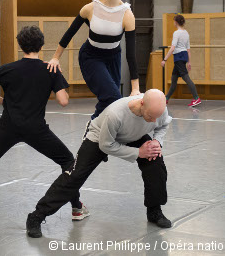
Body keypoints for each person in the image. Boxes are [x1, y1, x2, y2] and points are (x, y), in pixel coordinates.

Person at [0, 26, 88, 227]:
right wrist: (58, 81)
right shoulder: (50, 69)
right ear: (41, 46)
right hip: (37, 130)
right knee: (68, 162)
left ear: (20, 45)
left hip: (7, 127)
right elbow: (63, 101)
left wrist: (5, 102)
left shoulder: (7, 69)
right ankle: (77, 208)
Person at [26, 89, 172, 238]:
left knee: (155, 161)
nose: (154, 121)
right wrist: (138, 153)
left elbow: (163, 125)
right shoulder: (115, 114)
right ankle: (36, 216)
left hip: (134, 135)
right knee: (75, 175)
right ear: (142, 103)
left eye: (157, 117)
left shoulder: (158, 110)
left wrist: (156, 141)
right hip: (100, 138)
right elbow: (106, 145)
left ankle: (154, 211)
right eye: (150, 116)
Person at [47, 0, 140, 121]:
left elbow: (131, 54)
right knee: (113, 96)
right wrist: (56, 58)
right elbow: (68, 34)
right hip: (91, 56)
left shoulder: (127, 14)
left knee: (112, 101)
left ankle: (96, 134)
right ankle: (92, 129)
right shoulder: (90, 9)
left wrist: (135, 88)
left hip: (113, 58)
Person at [161, 14, 201, 107]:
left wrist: (164, 59)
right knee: (174, 79)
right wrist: (189, 62)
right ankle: (166, 98)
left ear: (176, 22)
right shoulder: (186, 33)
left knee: (186, 78)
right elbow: (188, 49)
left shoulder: (176, 33)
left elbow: (172, 48)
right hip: (183, 56)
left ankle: (196, 98)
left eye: (174, 21)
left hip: (178, 57)